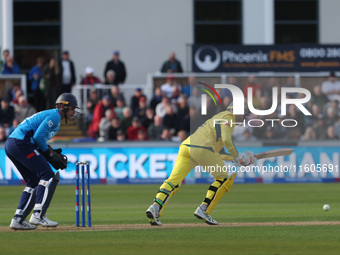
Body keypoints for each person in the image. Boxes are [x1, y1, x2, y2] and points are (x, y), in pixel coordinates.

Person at [146, 105, 255, 226]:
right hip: (203, 148)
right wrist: (237, 156)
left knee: (173, 181)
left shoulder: (219, 117)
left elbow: (221, 153)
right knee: (223, 178)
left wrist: (237, 159)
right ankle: (204, 210)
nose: (243, 118)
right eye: (243, 114)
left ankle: (155, 207)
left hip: (187, 146)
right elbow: (227, 140)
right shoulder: (229, 117)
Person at [6, 93, 79, 230]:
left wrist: (49, 151)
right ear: (63, 107)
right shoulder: (55, 116)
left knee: (33, 181)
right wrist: (49, 153)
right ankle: (38, 215)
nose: (73, 112)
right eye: (72, 108)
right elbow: (38, 137)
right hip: (21, 143)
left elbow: (38, 140)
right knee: (47, 175)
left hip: (12, 144)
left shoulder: (53, 115)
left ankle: (18, 219)